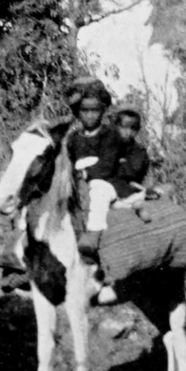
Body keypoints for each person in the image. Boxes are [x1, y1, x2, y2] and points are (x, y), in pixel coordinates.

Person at [65, 77, 125, 256]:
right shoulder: (73, 138)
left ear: (103, 111)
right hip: (79, 183)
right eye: (85, 111)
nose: (90, 115)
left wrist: (84, 173)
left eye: (95, 110)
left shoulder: (111, 135)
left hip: (107, 182)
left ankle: (92, 235)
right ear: (77, 112)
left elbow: (107, 165)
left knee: (99, 191)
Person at [113, 106, 151, 204]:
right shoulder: (105, 148)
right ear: (116, 126)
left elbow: (134, 175)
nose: (128, 132)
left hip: (130, 193)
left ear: (138, 130)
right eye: (124, 127)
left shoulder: (139, 152)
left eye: (133, 128)